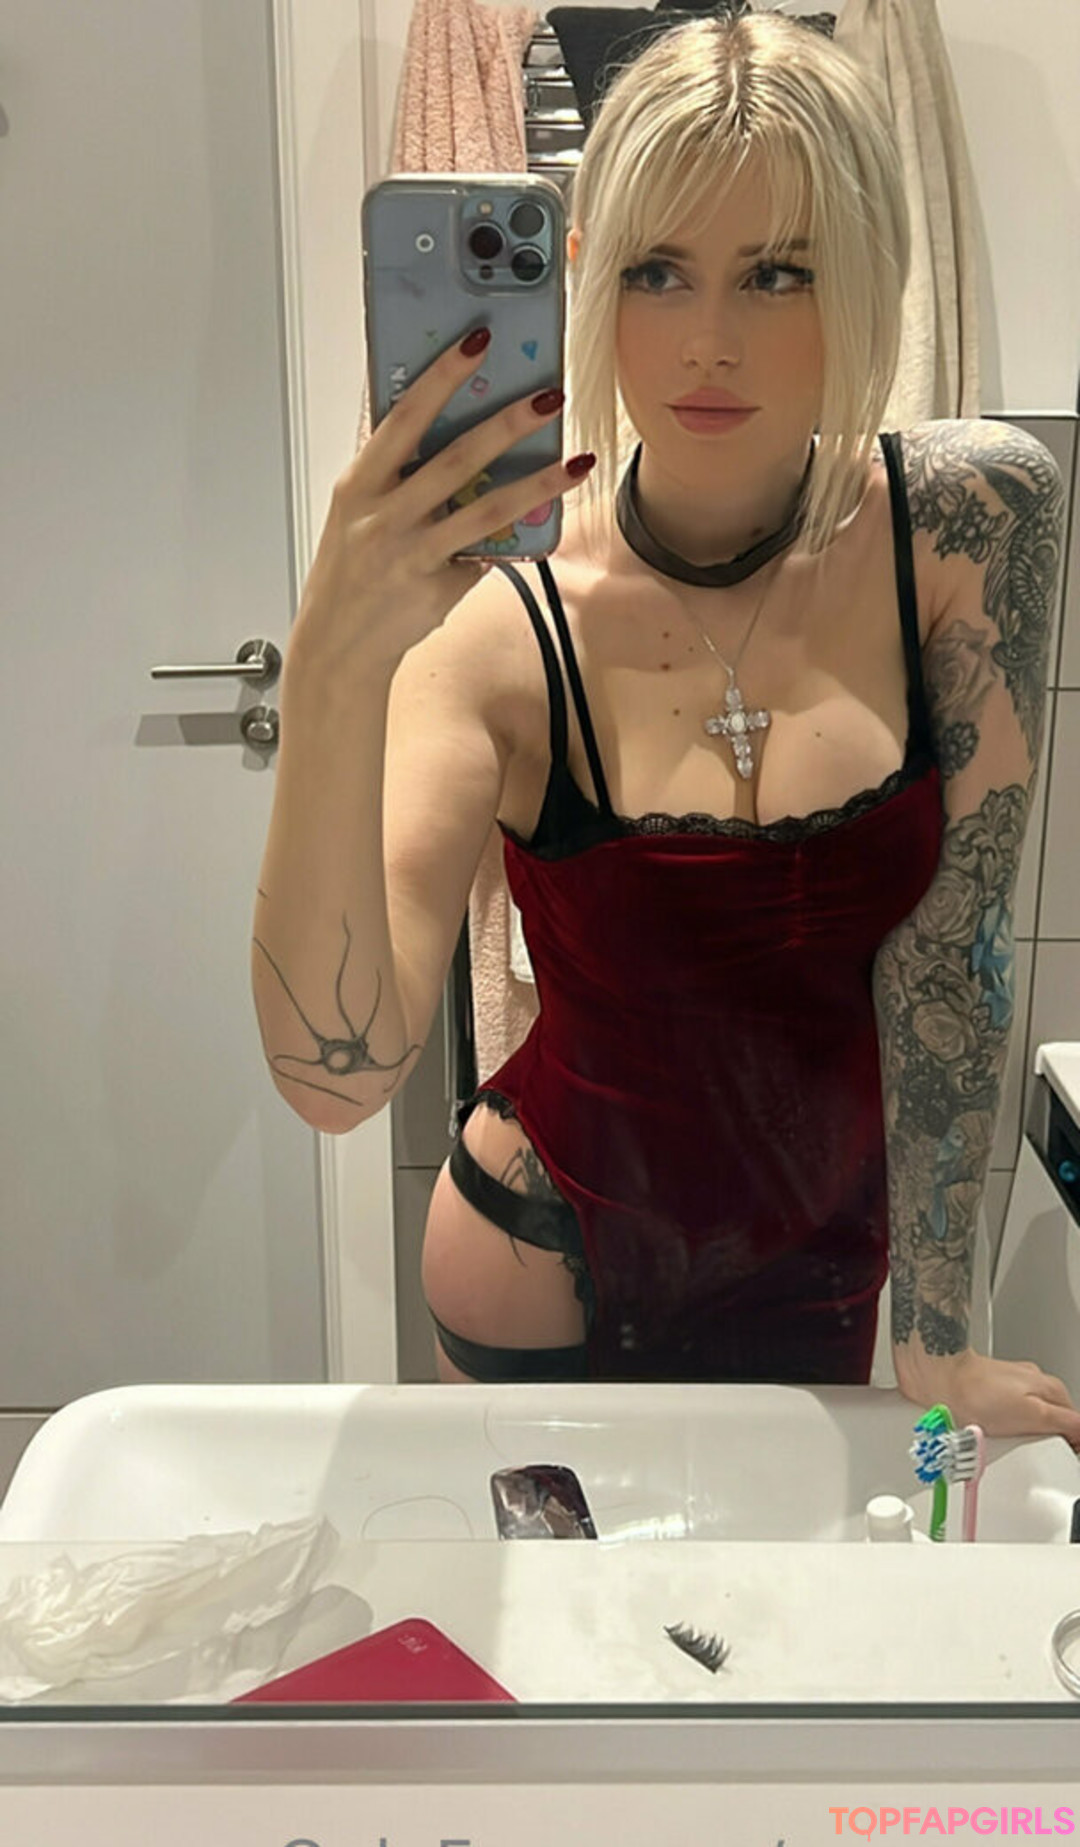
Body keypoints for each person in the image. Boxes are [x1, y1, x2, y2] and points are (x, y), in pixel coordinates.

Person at [252, 12, 1080, 1444]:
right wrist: (333, 665)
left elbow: (957, 955)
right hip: (543, 1269)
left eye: (779, 273)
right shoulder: (499, 623)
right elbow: (339, 1075)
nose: (710, 341)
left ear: (867, 276)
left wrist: (941, 1335)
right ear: (586, 275)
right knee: (567, 1601)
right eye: (657, 271)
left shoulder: (966, 523)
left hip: (828, 1271)